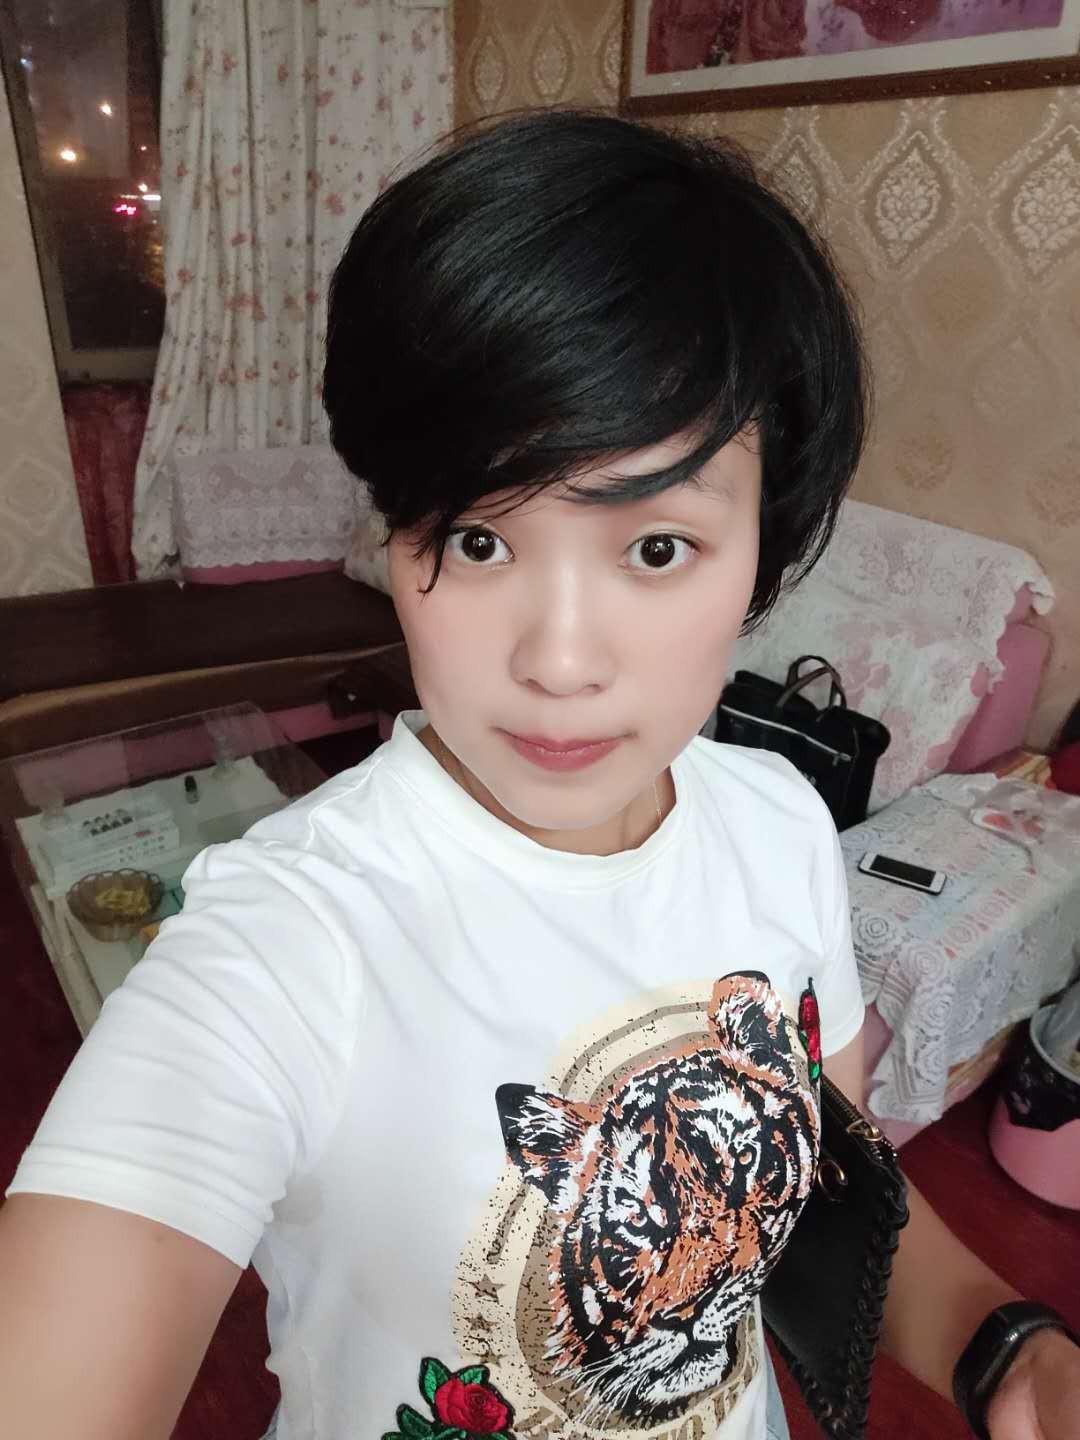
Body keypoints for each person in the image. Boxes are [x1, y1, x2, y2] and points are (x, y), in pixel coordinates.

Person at [0, 110, 1076, 1440]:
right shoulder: (287, 940)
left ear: (767, 547)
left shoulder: (781, 826)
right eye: (478, 538)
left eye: (657, 549)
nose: (560, 662)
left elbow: (819, 1200)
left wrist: (1009, 1351)